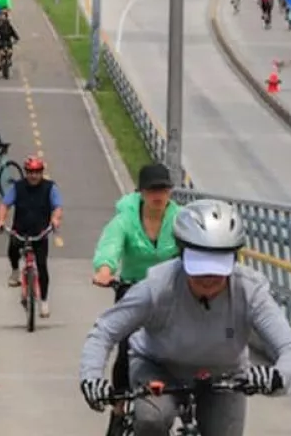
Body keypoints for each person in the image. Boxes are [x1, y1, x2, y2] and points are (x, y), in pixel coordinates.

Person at [79, 200, 291, 436]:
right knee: (152, 419)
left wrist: (278, 377)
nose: (208, 278)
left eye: (218, 269)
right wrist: (91, 378)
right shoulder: (158, 286)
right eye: (199, 268)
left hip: (225, 376)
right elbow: (105, 330)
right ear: (182, 255)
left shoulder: (249, 290)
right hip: (159, 368)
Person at [91, 165, 182, 415]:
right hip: (132, 289)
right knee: (126, 347)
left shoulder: (180, 220)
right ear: (141, 192)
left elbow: (195, 246)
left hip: (171, 292)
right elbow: (111, 244)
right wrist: (105, 269)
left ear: (170, 192)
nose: (158, 195)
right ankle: (119, 407)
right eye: (152, 189)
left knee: (182, 343)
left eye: (163, 189)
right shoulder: (126, 219)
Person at [0, 156, 63, 318]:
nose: (33, 176)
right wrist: (1, 220)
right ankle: (15, 271)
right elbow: (5, 205)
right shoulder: (18, 187)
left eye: (37, 172)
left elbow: (57, 207)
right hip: (20, 231)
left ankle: (44, 301)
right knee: (12, 249)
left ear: (41, 172)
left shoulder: (50, 188)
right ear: (26, 173)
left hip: (40, 233)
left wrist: (55, 219)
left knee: (42, 266)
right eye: (30, 172)